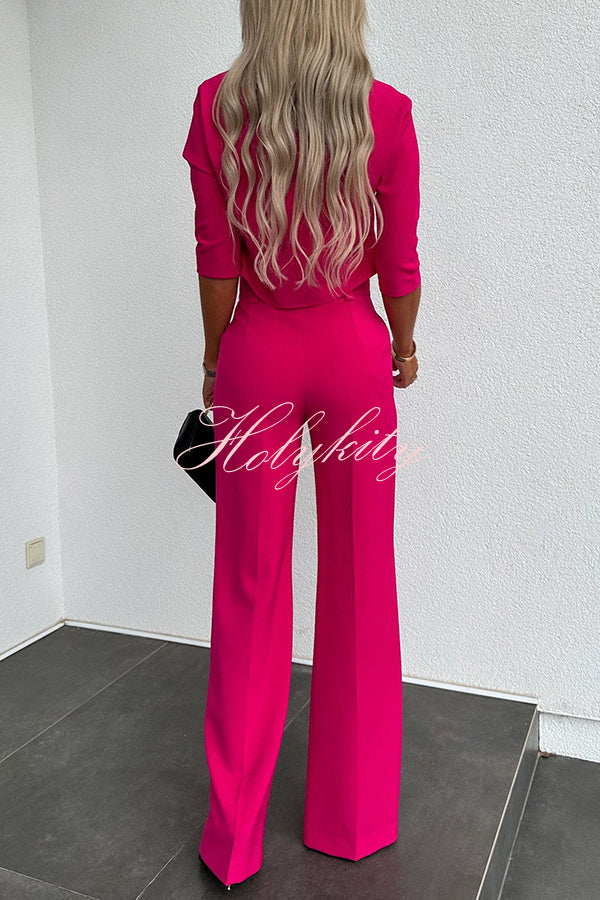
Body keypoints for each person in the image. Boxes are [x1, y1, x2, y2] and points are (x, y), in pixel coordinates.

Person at [181, 0, 421, 888]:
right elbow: (400, 263)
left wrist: (216, 361)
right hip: (354, 353)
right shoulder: (386, 113)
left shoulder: (216, 106)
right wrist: (404, 347)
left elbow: (215, 259)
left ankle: (232, 842)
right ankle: (353, 822)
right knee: (361, 581)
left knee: (249, 587)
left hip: (258, 353)